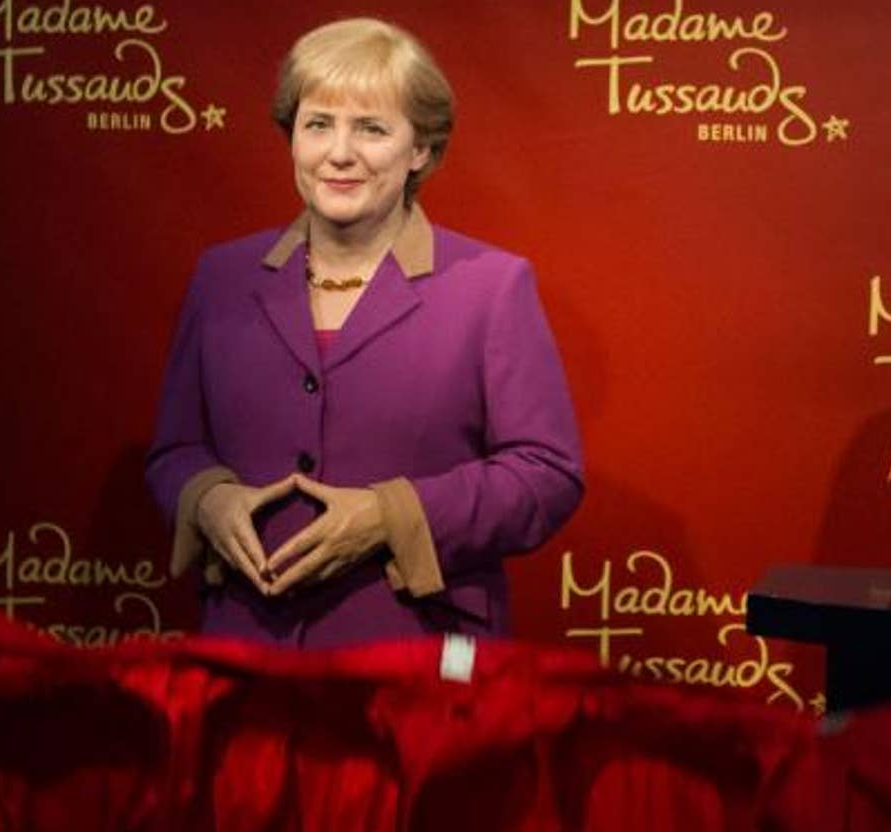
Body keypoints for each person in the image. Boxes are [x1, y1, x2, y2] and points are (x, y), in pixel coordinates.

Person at [146, 17, 583, 647]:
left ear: (420, 149)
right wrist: (207, 498)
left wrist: (391, 516)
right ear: (292, 136)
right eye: (318, 124)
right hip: (246, 648)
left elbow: (546, 474)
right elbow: (175, 451)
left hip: (417, 655)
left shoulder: (492, 286)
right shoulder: (221, 277)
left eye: (371, 129)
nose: (340, 153)